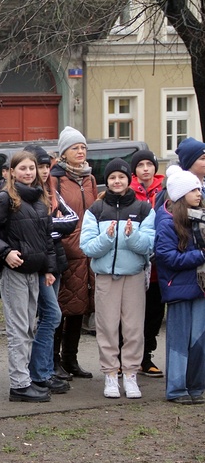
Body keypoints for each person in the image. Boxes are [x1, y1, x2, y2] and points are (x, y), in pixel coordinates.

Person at [0, 150, 57, 403]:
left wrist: (48, 268)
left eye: (31, 168)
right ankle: (19, 385)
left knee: (29, 327)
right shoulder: (5, 199)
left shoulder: (39, 198)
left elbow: (46, 238)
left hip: (34, 273)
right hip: (14, 273)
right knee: (18, 330)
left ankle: (25, 379)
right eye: (22, 168)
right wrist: (5, 253)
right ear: (12, 171)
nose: (28, 173)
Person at [79, 158, 155, 399]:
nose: (117, 181)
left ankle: (131, 374)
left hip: (133, 276)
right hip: (105, 277)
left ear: (128, 179)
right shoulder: (96, 210)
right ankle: (111, 374)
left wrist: (132, 237)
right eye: (112, 177)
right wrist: (108, 238)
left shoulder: (144, 209)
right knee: (107, 328)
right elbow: (87, 247)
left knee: (133, 328)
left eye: (121, 177)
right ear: (107, 181)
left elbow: (150, 245)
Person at [24, 144, 77, 395]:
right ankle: (39, 372)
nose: (44, 171)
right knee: (51, 316)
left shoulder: (51, 191)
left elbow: (72, 219)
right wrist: (49, 228)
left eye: (46, 166)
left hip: (54, 261)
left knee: (50, 316)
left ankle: (44, 371)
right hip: (38, 265)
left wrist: (48, 226)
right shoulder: (24, 194)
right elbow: (31, 230)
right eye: (39, 166)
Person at [49, 126, 98, 380]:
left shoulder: (89, 179)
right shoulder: (56, 178)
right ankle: (53, 360)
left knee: (79, 308)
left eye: (83, 147)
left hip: (88, 253)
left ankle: (71, 359)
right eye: (74, 148)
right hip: (65, 253)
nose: (80, 151)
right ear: (63, 153)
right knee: (60, 309)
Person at [153, 169, 205, 404]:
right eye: (193, 189)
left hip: (200, 288)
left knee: (199, 341)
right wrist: (201, 255)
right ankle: (176, 389)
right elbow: (168, 258)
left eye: (198, 188)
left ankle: (196, 387)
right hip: (179, 289)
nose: (199, 193)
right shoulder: (167, 222)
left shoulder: (200, 217)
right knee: (179, 342)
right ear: (181, 194)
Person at [128, 150, 166, 377]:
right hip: (135, 264)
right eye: (140, 164)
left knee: (153, 314)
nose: (145, 168)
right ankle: (128, 356)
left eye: (148, 164)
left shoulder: (165, 191)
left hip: (159, 267)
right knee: (132, 314)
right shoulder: (129, 192)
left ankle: (146, 357)